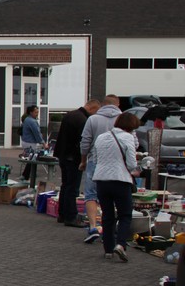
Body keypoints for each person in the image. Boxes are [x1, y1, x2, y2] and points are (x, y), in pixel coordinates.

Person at [91, 111, 141, 262]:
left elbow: (95, 159)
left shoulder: (101, 137)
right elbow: (131, 163)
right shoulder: (128, 137)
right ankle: (120, 245)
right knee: (125, 215)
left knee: (107, 215)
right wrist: (135, 170)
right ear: (131, 126)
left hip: (101, 180)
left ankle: (108, 249)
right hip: (120, 180)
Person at [79, 94, 123, 244]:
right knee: (114, 196)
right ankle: (110, 229)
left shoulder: (93, 119)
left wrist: (83, 160)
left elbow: (85, 142)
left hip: (95, 160)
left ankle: (93, 227)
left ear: (103, 104)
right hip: (117, 163)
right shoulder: (123, 119)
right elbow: (133, 142)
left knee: (91, 194)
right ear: (117, 104)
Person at [55, 99, 100, 227]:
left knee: (65, 185)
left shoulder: (70, 115)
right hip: (73, 157)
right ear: (92, 108)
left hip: (63, 154)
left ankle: (62, 214)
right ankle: (71, 216)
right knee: (72, 188)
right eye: (96, 112)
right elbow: (82, 141)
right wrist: (83, 159)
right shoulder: (83, 120)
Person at [19, 105, 44, 180]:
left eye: (38, 112)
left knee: (31, 159)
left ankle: (27, 175)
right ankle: (26, 175)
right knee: (32, 159)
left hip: (26, 141)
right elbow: (37, 133)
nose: (37, 114)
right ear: (31, 112)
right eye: (35, 112)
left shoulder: (27, 119)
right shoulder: (32, 121)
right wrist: (43, 142)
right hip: (30, 143)